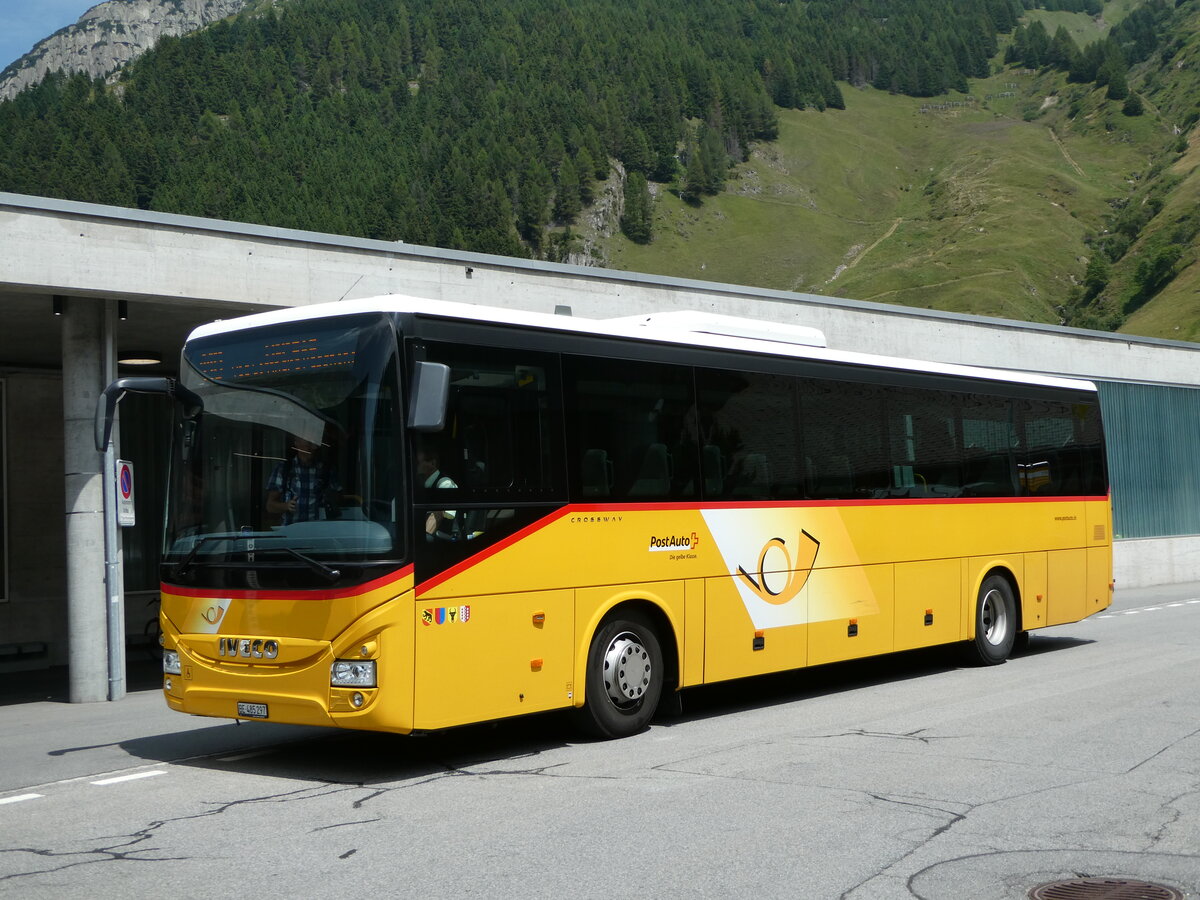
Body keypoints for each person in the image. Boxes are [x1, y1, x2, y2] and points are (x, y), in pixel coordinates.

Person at [265, 436, 342, 524]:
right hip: (291, 529)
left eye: (316, 444)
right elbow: (270, 506)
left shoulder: (326, 469)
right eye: (309, 444)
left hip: (319, 529)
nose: (314, 448)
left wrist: (329, 500)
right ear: (297, 443)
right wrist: (286, 506)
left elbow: (339, 499)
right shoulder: (284, 468)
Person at [415, 447, 458, 538]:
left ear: (432, 463)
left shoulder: (445, 483)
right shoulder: (422, 484)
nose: (415, 465)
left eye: (418, 462)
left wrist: (424, 536)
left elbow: (440, 513)